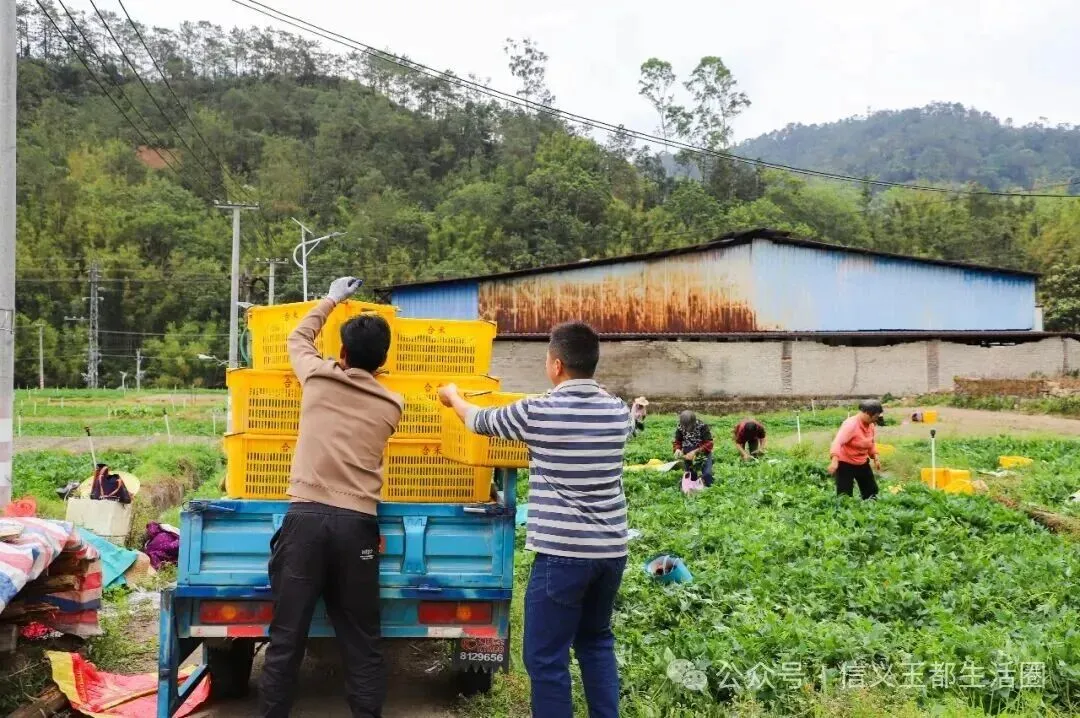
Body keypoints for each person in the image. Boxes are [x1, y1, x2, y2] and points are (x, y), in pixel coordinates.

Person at [438, 321, 633, 718]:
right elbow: (625, 421)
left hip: (563, 555)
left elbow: (480, 421)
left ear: (557, 364)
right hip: (611, 552)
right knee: (596, 641)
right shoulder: (617, 413)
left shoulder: (540, 411)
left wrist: (452, 396)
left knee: (545, 657)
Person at [259, 277, 403, 718]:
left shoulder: (319, 378)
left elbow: (298, 337)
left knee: (287, 639)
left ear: (341, 354)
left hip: (305, 521)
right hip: (357, 525)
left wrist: (332, 297)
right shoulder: (392, 404)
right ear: (383, 361)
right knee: (362, 641)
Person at [828, 399, 884, 500]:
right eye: (875, 417)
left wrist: (876, 458)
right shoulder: (851, 425)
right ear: (867, 414)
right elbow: (837, 442)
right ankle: (843, 514)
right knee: (844, 496)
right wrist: (834, 461)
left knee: (871, 492)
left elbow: (870, 442)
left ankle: (870, 512)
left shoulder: (870, 425)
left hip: (862, 463)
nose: (876, 420)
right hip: (845, 464)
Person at [673, 410, 715, 487]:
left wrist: (695, 452)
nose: (686, 429)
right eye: (684, 426)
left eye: (688, 426)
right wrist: (677, 449)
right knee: (691, 477)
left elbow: (709, 443)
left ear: (693, 422)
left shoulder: (702, 426)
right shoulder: (680, 427)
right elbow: (677, 441)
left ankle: (710, 490)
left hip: (703, 453)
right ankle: (693, 491)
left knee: (707, 475)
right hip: (688, 453)